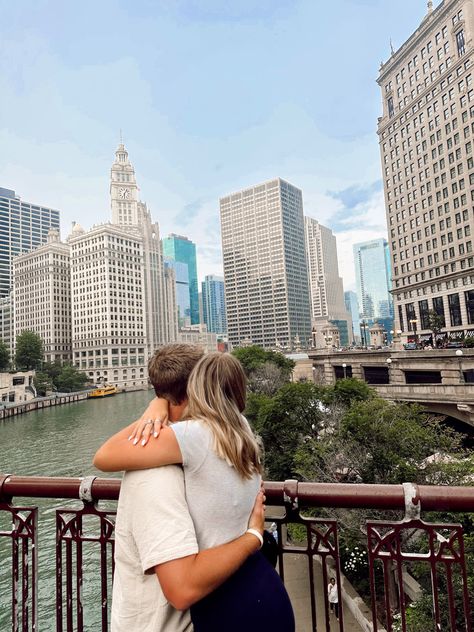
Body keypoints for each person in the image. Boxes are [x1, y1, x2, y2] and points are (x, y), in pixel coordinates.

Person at [95, 349, 295, 632]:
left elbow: (103, 456)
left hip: (225, 608)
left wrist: (157, 406)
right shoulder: (240, 427)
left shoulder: (190, 439)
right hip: (263, 590)